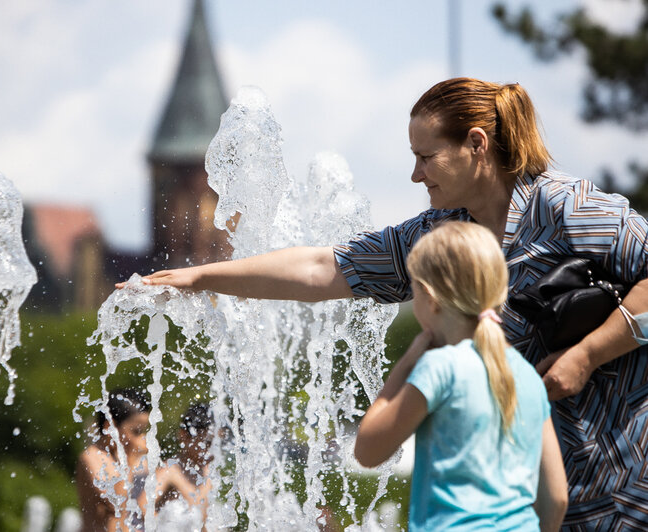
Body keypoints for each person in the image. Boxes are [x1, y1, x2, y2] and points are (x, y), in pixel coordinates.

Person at [117, 77, 648, 528]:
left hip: (626, 475)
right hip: (533, 503)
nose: (416, 175)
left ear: (478, 144)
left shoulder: (570, 208)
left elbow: (370, 446)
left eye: (426, 157)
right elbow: (323, 267)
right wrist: (199, 277)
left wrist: (588, 354)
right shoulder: (440, 233)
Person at [353, 221, 568, 530]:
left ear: (429, 297)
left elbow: (368, 451)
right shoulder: (526, 376)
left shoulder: (441, 367)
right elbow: (557, 498)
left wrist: (408, 361)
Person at [76, 388, 199, 532]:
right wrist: (130, 458)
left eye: (144, 431)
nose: (142, 439)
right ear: (111, 428)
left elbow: (145, 503)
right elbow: (115, 503)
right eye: (136, 431)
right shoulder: (92, 458)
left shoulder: (136, 460)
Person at [156, 403, 213, 524]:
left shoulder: (208, 471)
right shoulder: (170, 469)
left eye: (215, 443)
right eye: (206, 442)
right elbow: (142, 507)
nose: (211, 450)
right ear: (183, 436)